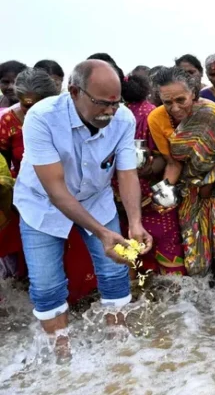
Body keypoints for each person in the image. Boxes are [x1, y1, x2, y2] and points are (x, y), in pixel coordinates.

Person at [13, 60, 153, 355]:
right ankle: (61, 353)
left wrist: (136, 223)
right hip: (42, 205)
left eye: (116, 104)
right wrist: (102, 233)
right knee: (47, 285)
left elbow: (127, 173)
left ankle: (120, 345)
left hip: (97, 200)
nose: (110, 112)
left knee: (117, 270)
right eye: (102, 104)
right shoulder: (41, 117)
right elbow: (56, 190)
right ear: (74, 91)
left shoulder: (123, 119)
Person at [0, 69, 97, 303]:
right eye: (26, 107)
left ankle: (79, 304)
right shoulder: (8, 122)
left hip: (73, 196)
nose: (35, 114)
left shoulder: (76, 118)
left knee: (77, 260)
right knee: (36, 266)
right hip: (28, 200)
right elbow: (3, 163)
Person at [150, 66, 215, 281]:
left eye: (181, 100)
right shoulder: (156, 119)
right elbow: (173, 163)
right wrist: (162, 194)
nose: (175, 108)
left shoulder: (210, 113)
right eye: (167, 102)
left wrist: (208, 184)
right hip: (188, 191)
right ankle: (201, 301)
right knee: (193, 248)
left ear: (193, 93)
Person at [118, 73, 184, 274]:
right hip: (156, 197)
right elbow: (170, 159)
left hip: (123, 200)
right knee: (167, 255)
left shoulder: (117, 115)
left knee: (132, 257)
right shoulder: (153, 114)